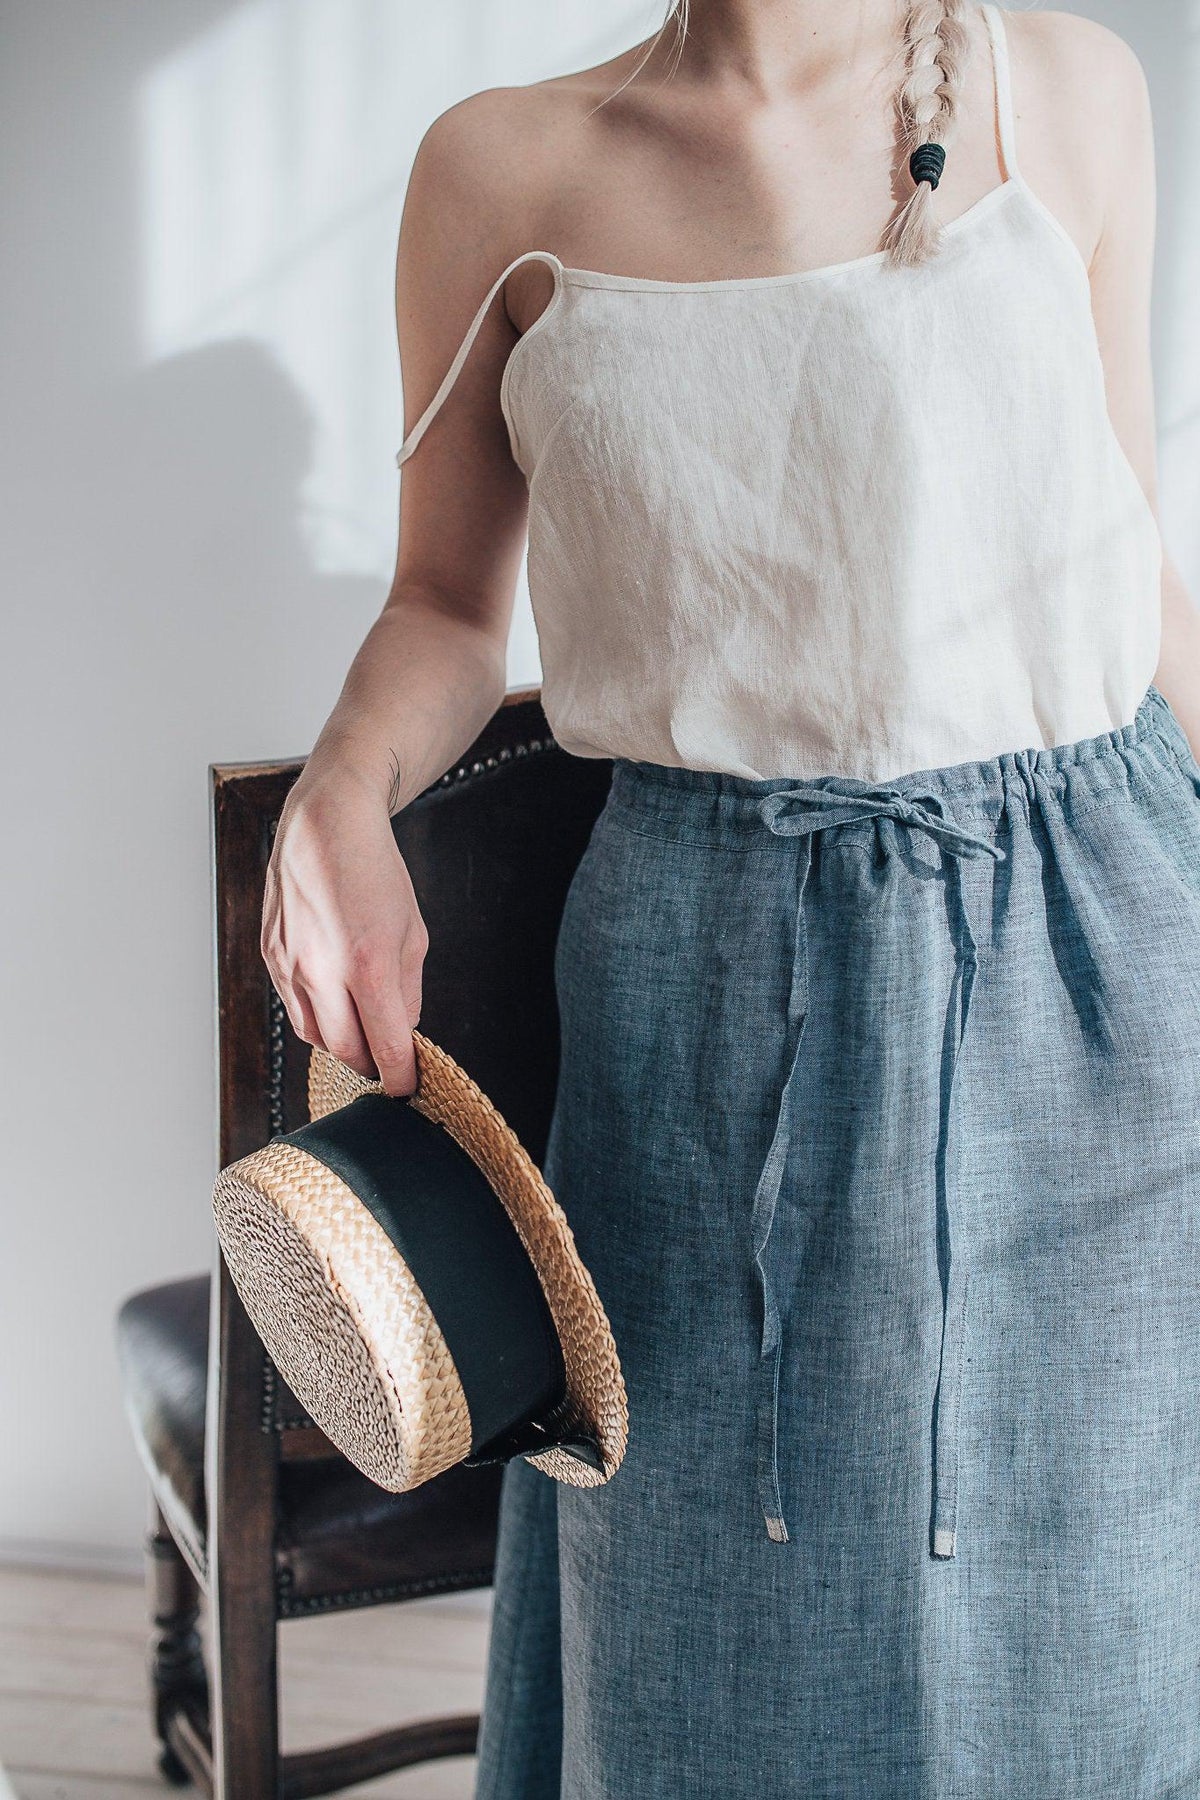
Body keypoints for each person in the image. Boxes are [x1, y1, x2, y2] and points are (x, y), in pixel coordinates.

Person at [261, 1, 1200, 1793]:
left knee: (1102, 1624)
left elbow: (1129, 554)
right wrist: (341, 786)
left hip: (1095, 957)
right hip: (699, 989)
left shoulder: (1071, 85)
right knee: (707, 1615)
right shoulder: (499, 170)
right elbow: (446, 605)